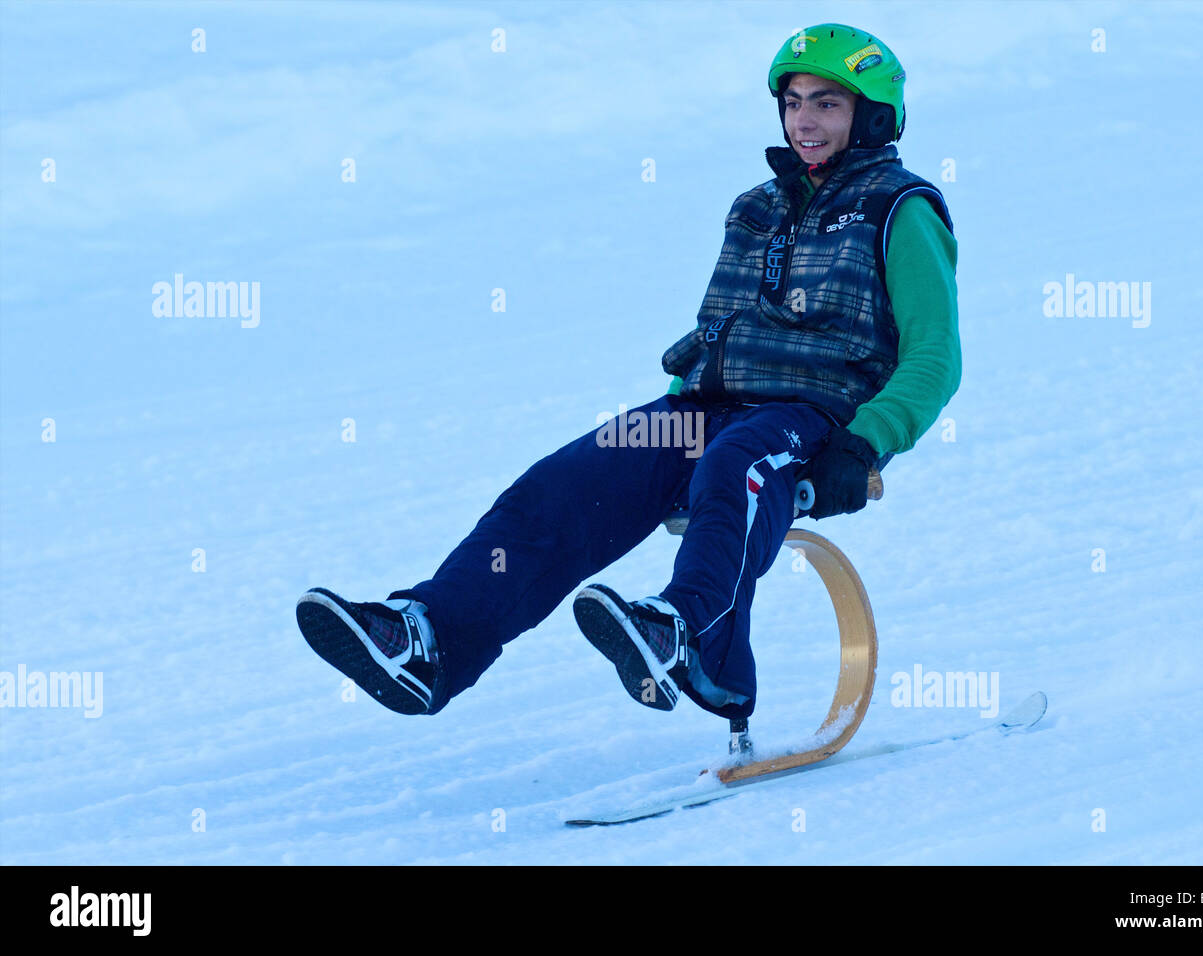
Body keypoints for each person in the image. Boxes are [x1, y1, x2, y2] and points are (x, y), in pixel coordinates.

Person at [295, 23, 959, 726]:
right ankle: (429, 638)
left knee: (736, 464)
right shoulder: (756, 206)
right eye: (793, 102)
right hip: (710, 405)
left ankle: (683, 634)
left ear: (872, 116)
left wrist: (863, 445)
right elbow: (726, 329)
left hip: (816, 415)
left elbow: (935, 357)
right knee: (567, 479)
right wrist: (666, 419)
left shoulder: (900, 209)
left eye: (827, 103)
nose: (805, 120)